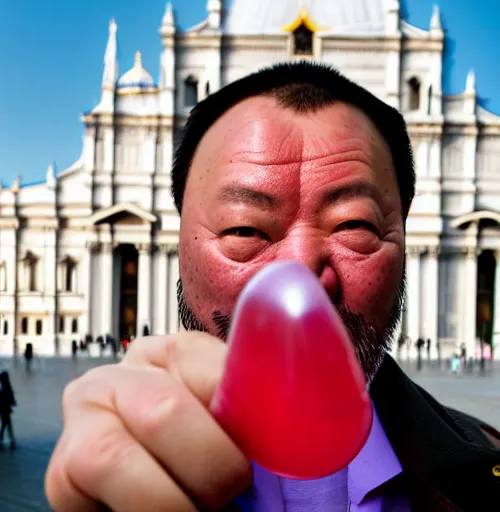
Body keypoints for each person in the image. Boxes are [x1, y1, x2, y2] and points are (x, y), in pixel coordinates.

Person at [45, 62, 500, 511]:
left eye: (354, 225)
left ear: (403, 231)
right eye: (245, 230)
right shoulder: (121, 471)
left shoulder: (486, 470)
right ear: (178, 240)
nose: (301, 277)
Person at [0, 370, 16, 449]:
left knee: (5, 424)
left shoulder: (3, 387)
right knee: (6, 424)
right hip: (4, 408)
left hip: (4, 408)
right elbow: (8, 397)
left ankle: (4, 438)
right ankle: (8, 438)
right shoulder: (3, 387)